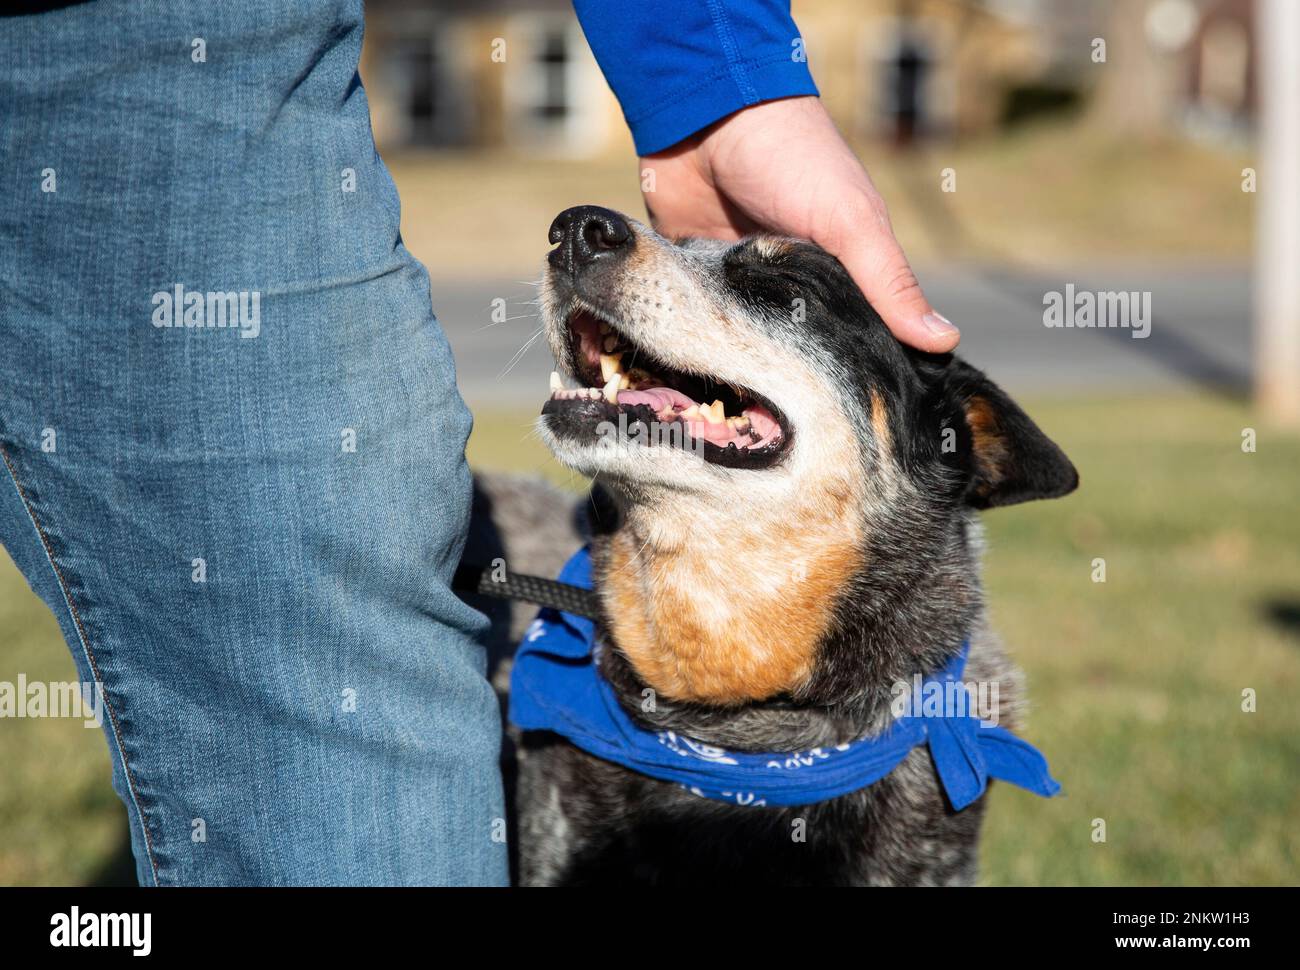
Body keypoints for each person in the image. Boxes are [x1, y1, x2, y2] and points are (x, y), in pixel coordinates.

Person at [0, 0, 957, 886]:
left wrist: (721, 91)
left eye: (779, 297)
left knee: (341, 593)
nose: (588, 240)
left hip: (198, 41)